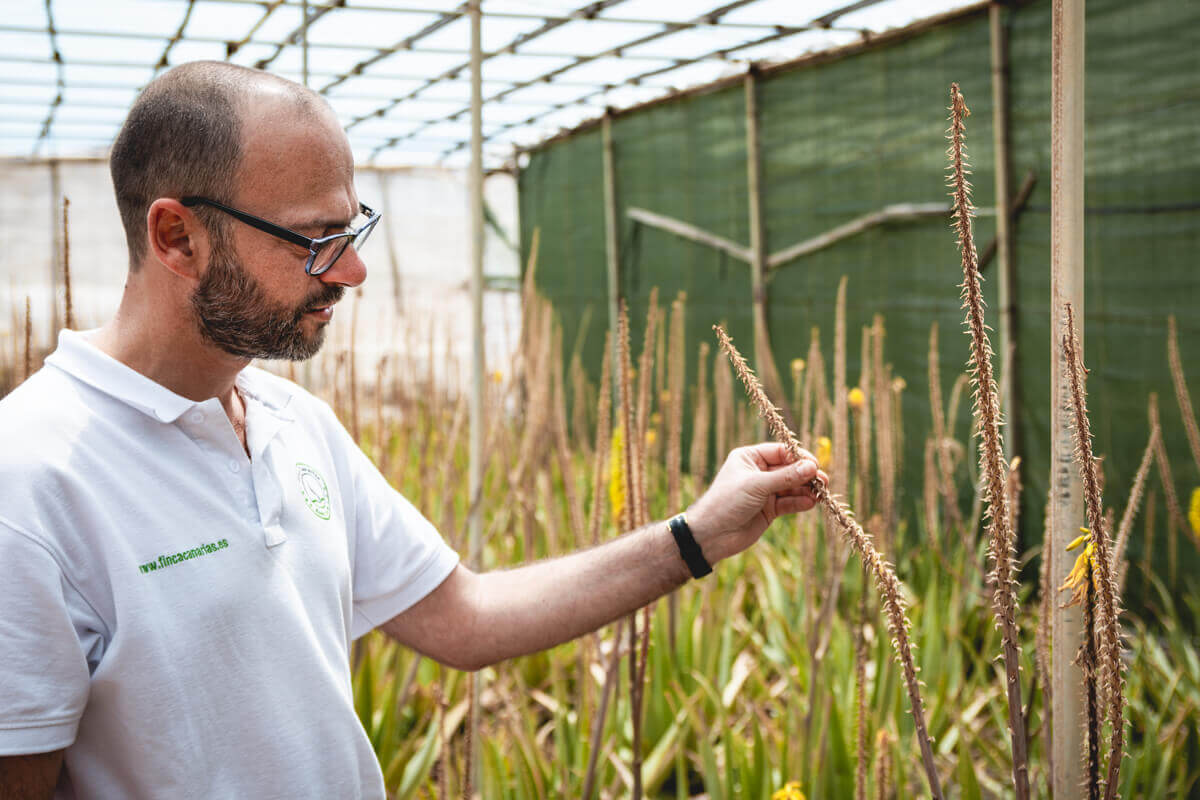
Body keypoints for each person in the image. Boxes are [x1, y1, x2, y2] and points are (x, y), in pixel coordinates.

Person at [0, 62, 825, 799]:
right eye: (317, 240)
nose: (352, 271)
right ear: (178, 236)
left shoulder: (297, 425)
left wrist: (698, 535)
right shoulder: (30, 481)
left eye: (353, 231)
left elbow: (462, 617)